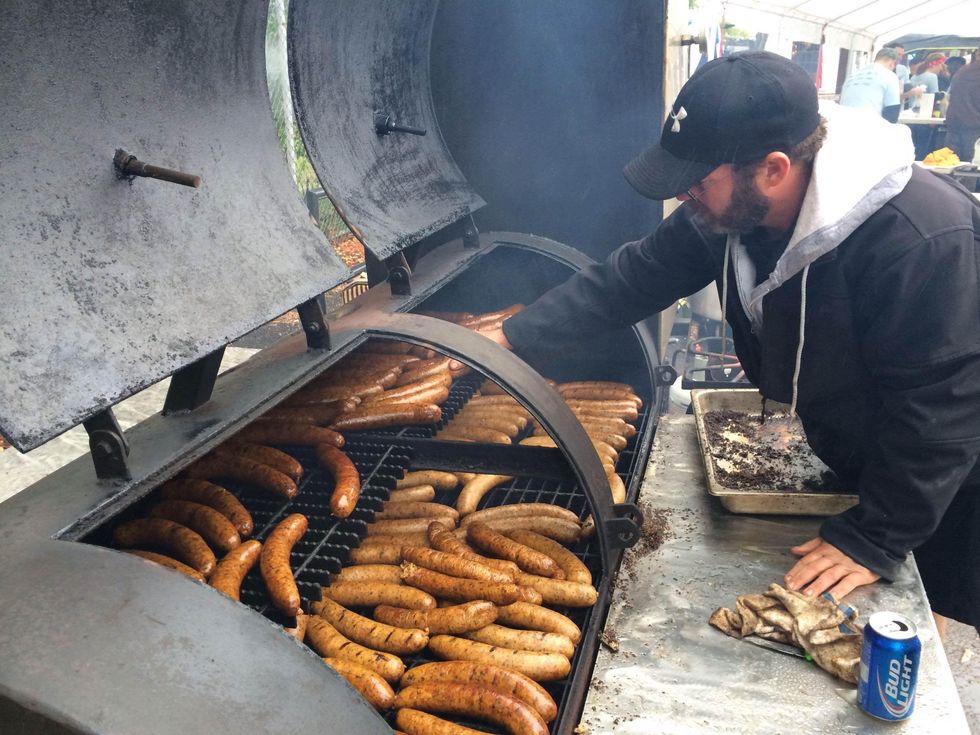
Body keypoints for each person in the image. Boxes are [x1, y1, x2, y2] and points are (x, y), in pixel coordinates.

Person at [483, 51, 980, 635]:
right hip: (865, 447)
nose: (685, 196)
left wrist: (875, 536)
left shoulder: (921, 240)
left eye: (698, 182)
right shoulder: (732, 206)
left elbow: (944, 408)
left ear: (773, 168)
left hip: (953, 474)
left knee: (920, 616)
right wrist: (514, 335)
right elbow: (638, 274)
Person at [838, 47, 902, 122]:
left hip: (843, 122)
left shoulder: (852, 75)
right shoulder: (890, 75)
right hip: (869, 124)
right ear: (892, 64)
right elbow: (892, 111)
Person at [946, 49, 980, 162]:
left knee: (956, 168)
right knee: (973, 169)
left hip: (955, 124)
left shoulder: (963, 70)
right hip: (974, 128)